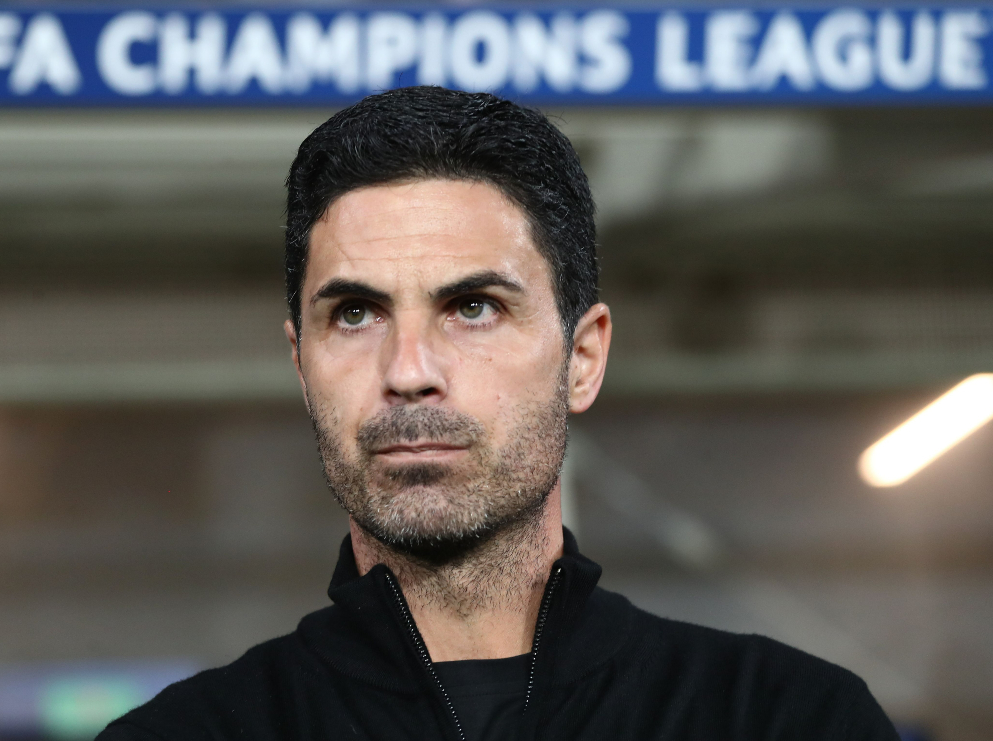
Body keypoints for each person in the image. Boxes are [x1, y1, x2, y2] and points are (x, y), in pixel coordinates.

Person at [97, 86, 899, 741]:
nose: (408, 371)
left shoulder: (784, 719)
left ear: (583, 357)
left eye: (473, 307)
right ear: (301, 364)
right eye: (354, 314)